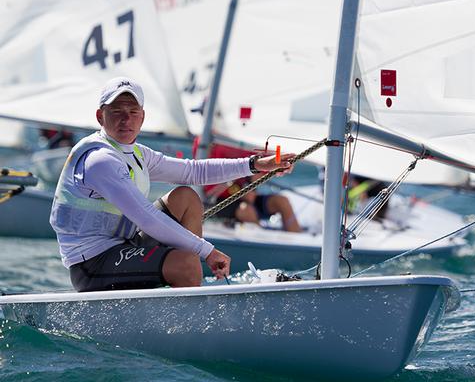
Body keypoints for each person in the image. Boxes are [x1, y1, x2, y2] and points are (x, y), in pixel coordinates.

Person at [49, 77, 294, 292]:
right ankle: (187, 286)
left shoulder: (136, 153)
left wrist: (256, 165)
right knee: (186, 263)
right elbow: (147, 218)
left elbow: (192, 171)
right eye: (117, 112)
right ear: (100, 116)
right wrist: (206, 251)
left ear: (142, 117)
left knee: (186, 198)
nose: (126, 119)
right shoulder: (99, 161)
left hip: (123, 245)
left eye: (133, 112)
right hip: (92, 264)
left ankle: (187, 285)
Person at [191, 139, 302, 233]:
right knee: (246, 211)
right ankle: (263, 243)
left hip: (247, 195)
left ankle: (298, 243)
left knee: (282, 202)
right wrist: (241, 190)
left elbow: (267, 164)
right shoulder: (210, 141)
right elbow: (208, 181)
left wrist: (283, 161)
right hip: (218, 201)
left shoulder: (249, 143)